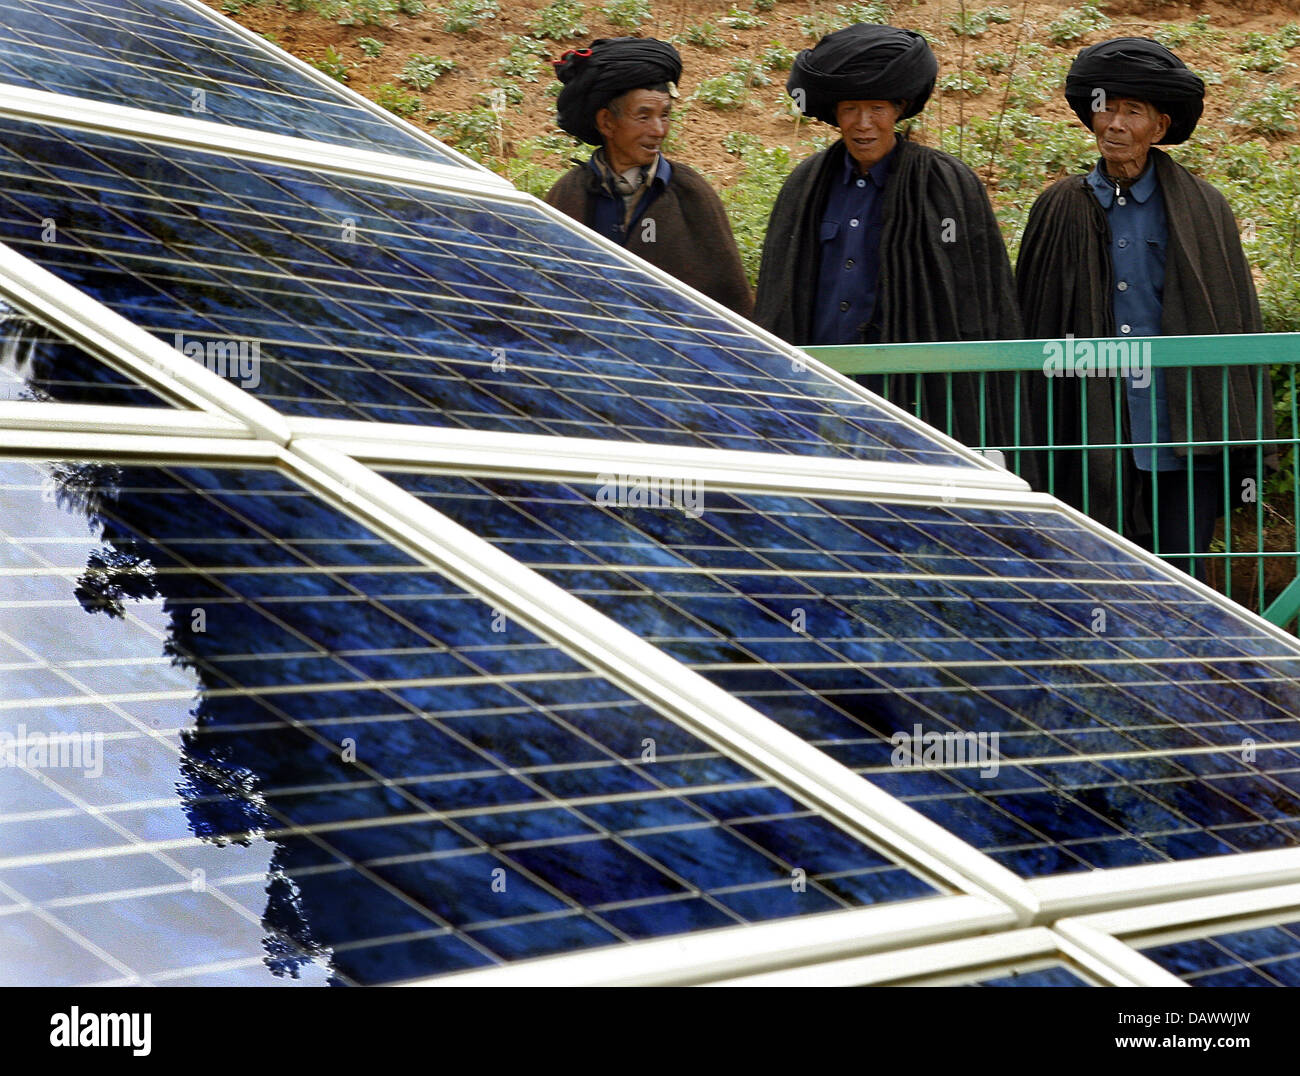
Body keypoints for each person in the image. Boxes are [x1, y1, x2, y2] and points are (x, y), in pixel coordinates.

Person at [1016, 37, 1270, 578]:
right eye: (1106, 106)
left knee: (1183, 573)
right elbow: (1033, 320)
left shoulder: (1204, 207)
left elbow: (1234, 317)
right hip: (1089, 424)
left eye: (1133, 111)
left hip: (1182, 431)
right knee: (1092, 571)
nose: (1114, 123)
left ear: (1160, 127)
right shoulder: (1059, 206)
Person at [753, 23, 1021, 449]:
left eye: (876, 108)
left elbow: (978, 304)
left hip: (913, 401)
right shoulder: (805, 187)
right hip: (820, 392)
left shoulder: (945, 185)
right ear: (834, 114)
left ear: (899, 108)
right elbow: (778, 294)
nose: (863, 125)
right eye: (850, 109)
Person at [544, 37, 753, 317]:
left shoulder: (691, 194)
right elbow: (544, 292)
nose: (659, 131)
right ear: (606, 122)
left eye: (665, 115)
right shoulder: (569, 195)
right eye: (644, 117)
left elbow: (731, 306)